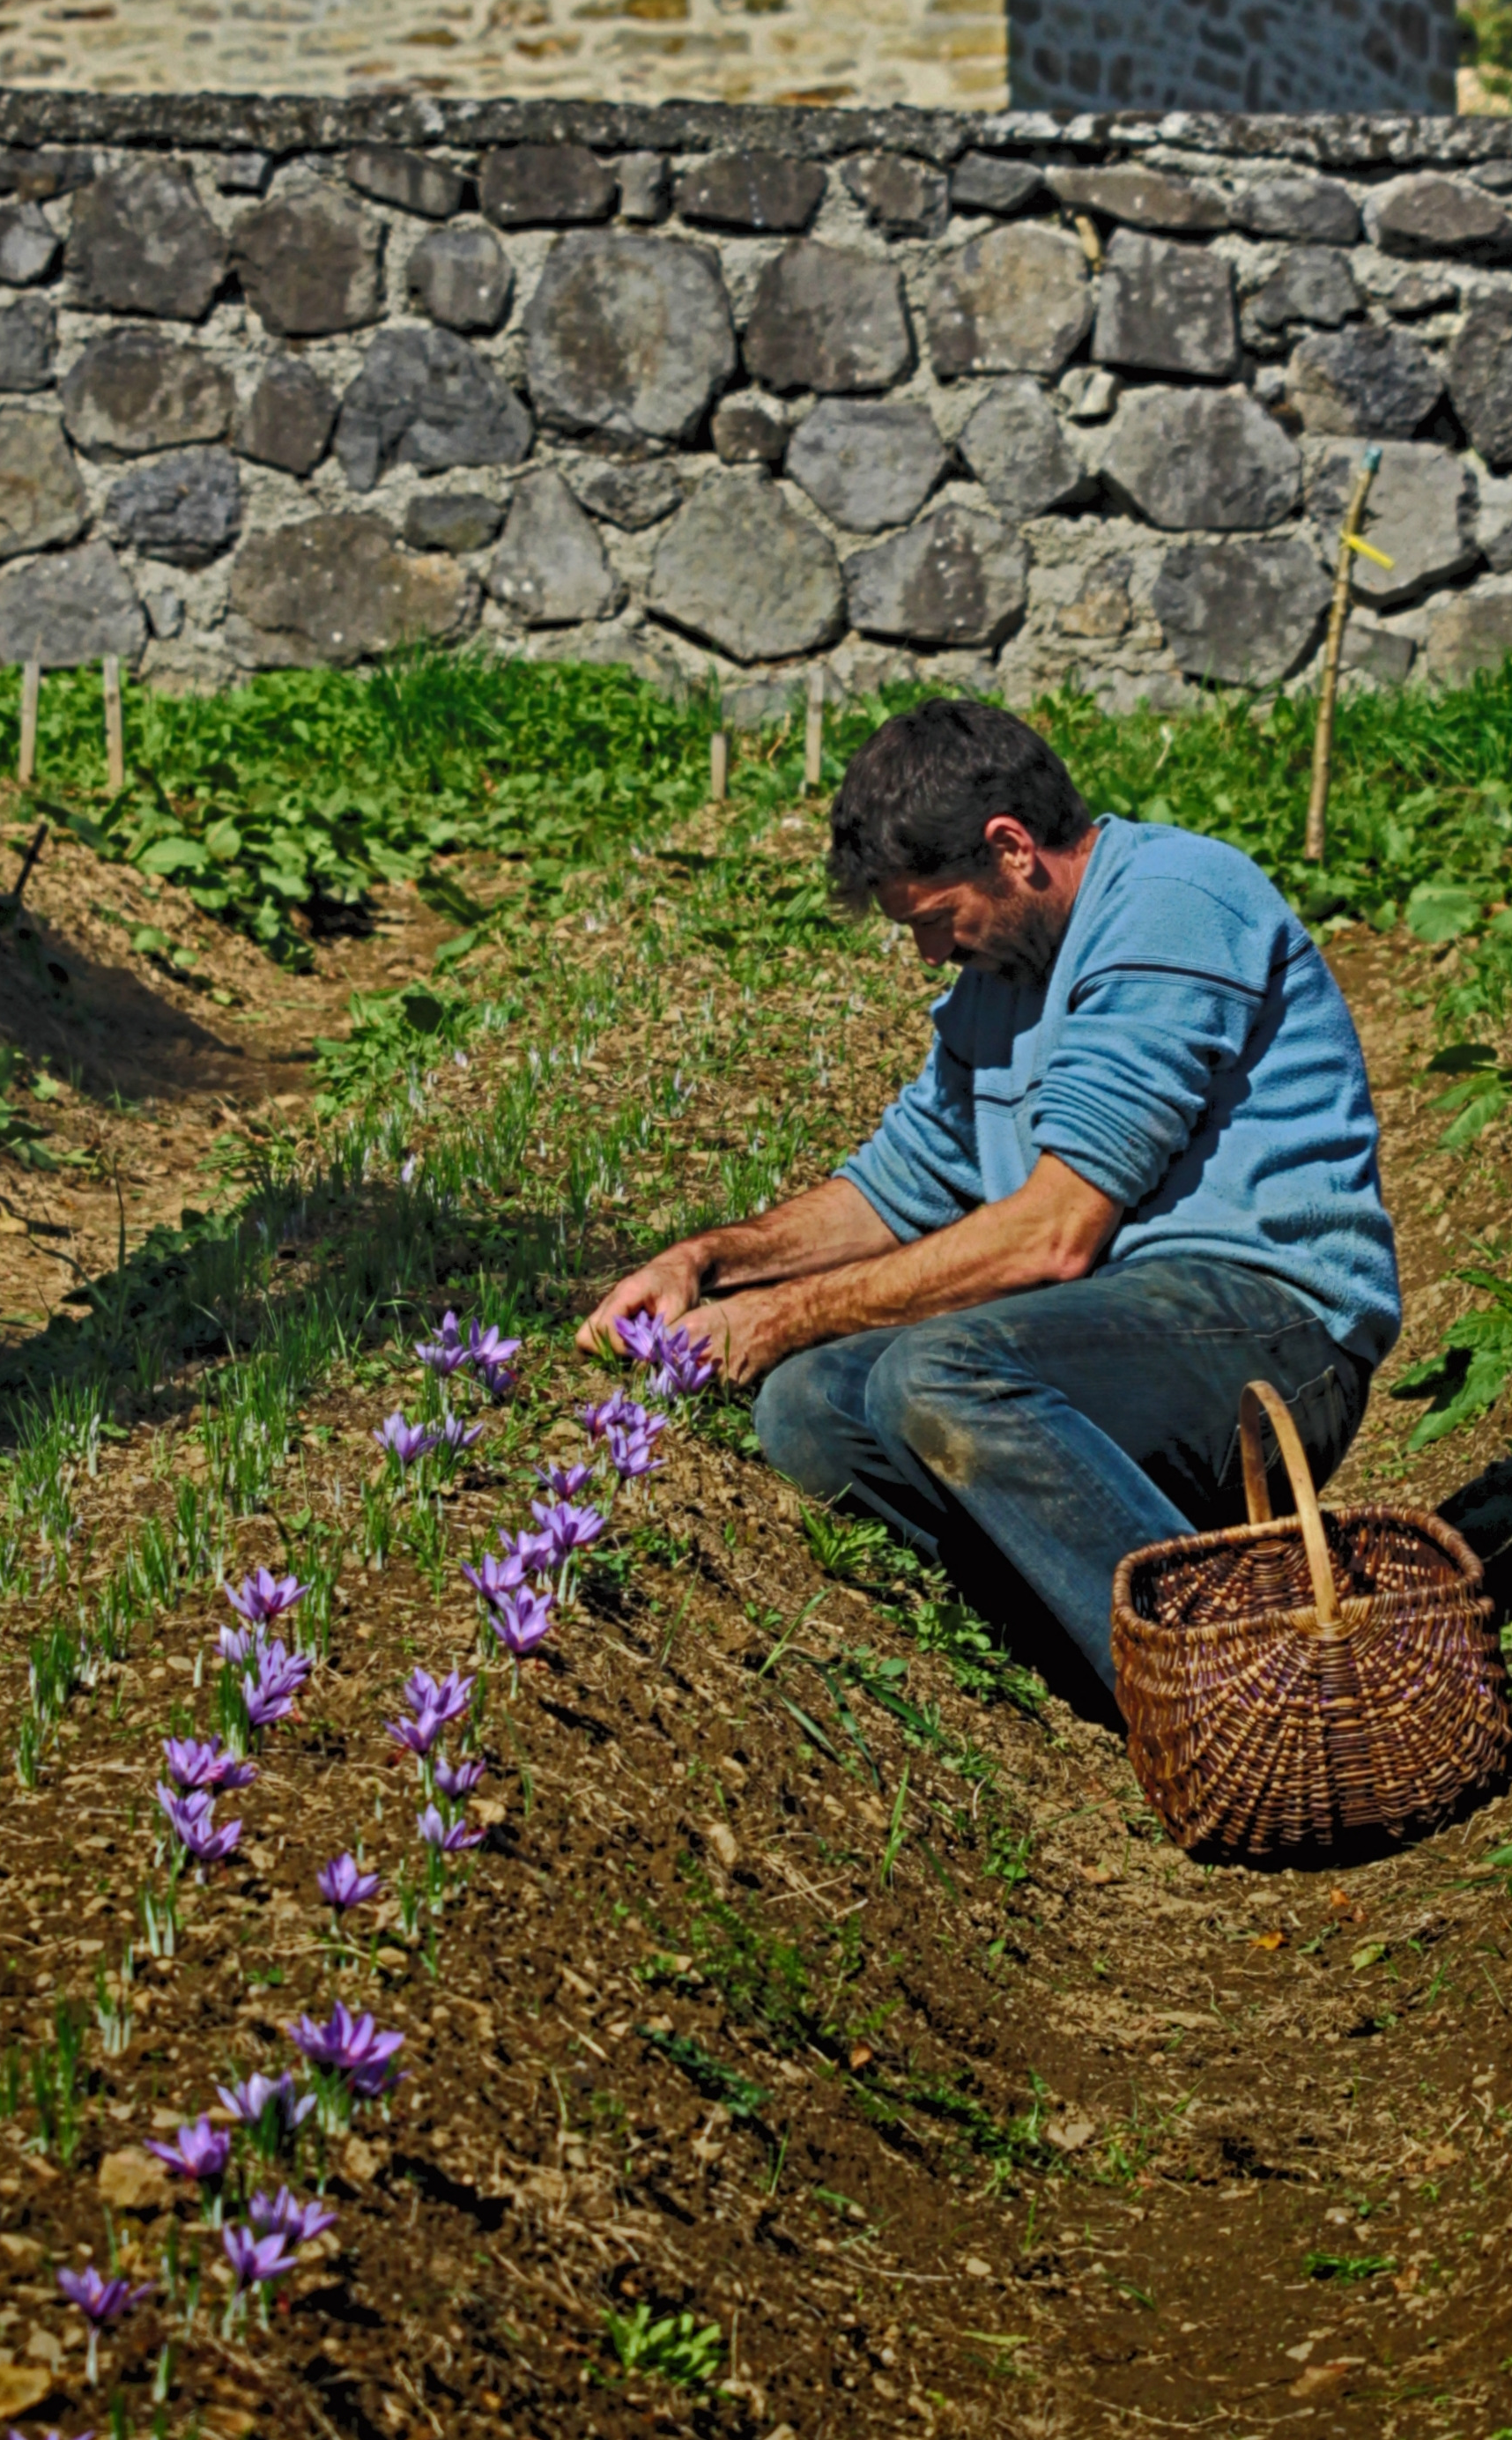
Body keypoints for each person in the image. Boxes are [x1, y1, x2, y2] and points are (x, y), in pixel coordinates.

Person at [580, 698, 1400, 1702]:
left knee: (936, 1372)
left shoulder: (1174, 903)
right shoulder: (999, 984)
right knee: (809, 1407)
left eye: (934, 920)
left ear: (1011, 848)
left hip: (1271, 1337)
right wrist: (703, 1263)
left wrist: (778, 1316)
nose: (929, 954)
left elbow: (1053, 1235)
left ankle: (1232, 1683)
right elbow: (899, 1185)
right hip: (1101, 1343)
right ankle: (1109, 1661)